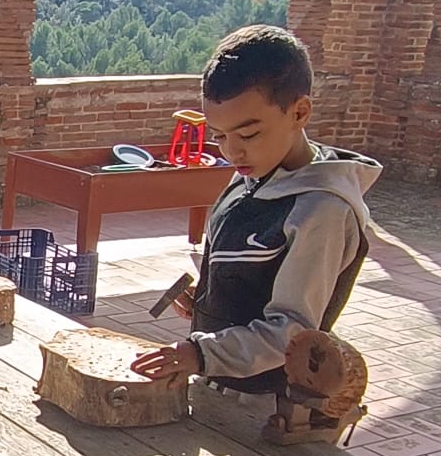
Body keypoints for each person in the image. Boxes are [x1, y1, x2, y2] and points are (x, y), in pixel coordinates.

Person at [132, 25, 381, 392]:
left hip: (266, 401)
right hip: (219, 386)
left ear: (299, 112)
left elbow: (292, 331)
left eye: (248, 135)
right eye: (219, 136)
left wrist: (201, 353)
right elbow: (254, 272)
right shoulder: (254, 173)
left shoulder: (322, 210)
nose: (232, 151)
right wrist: (213, 295)